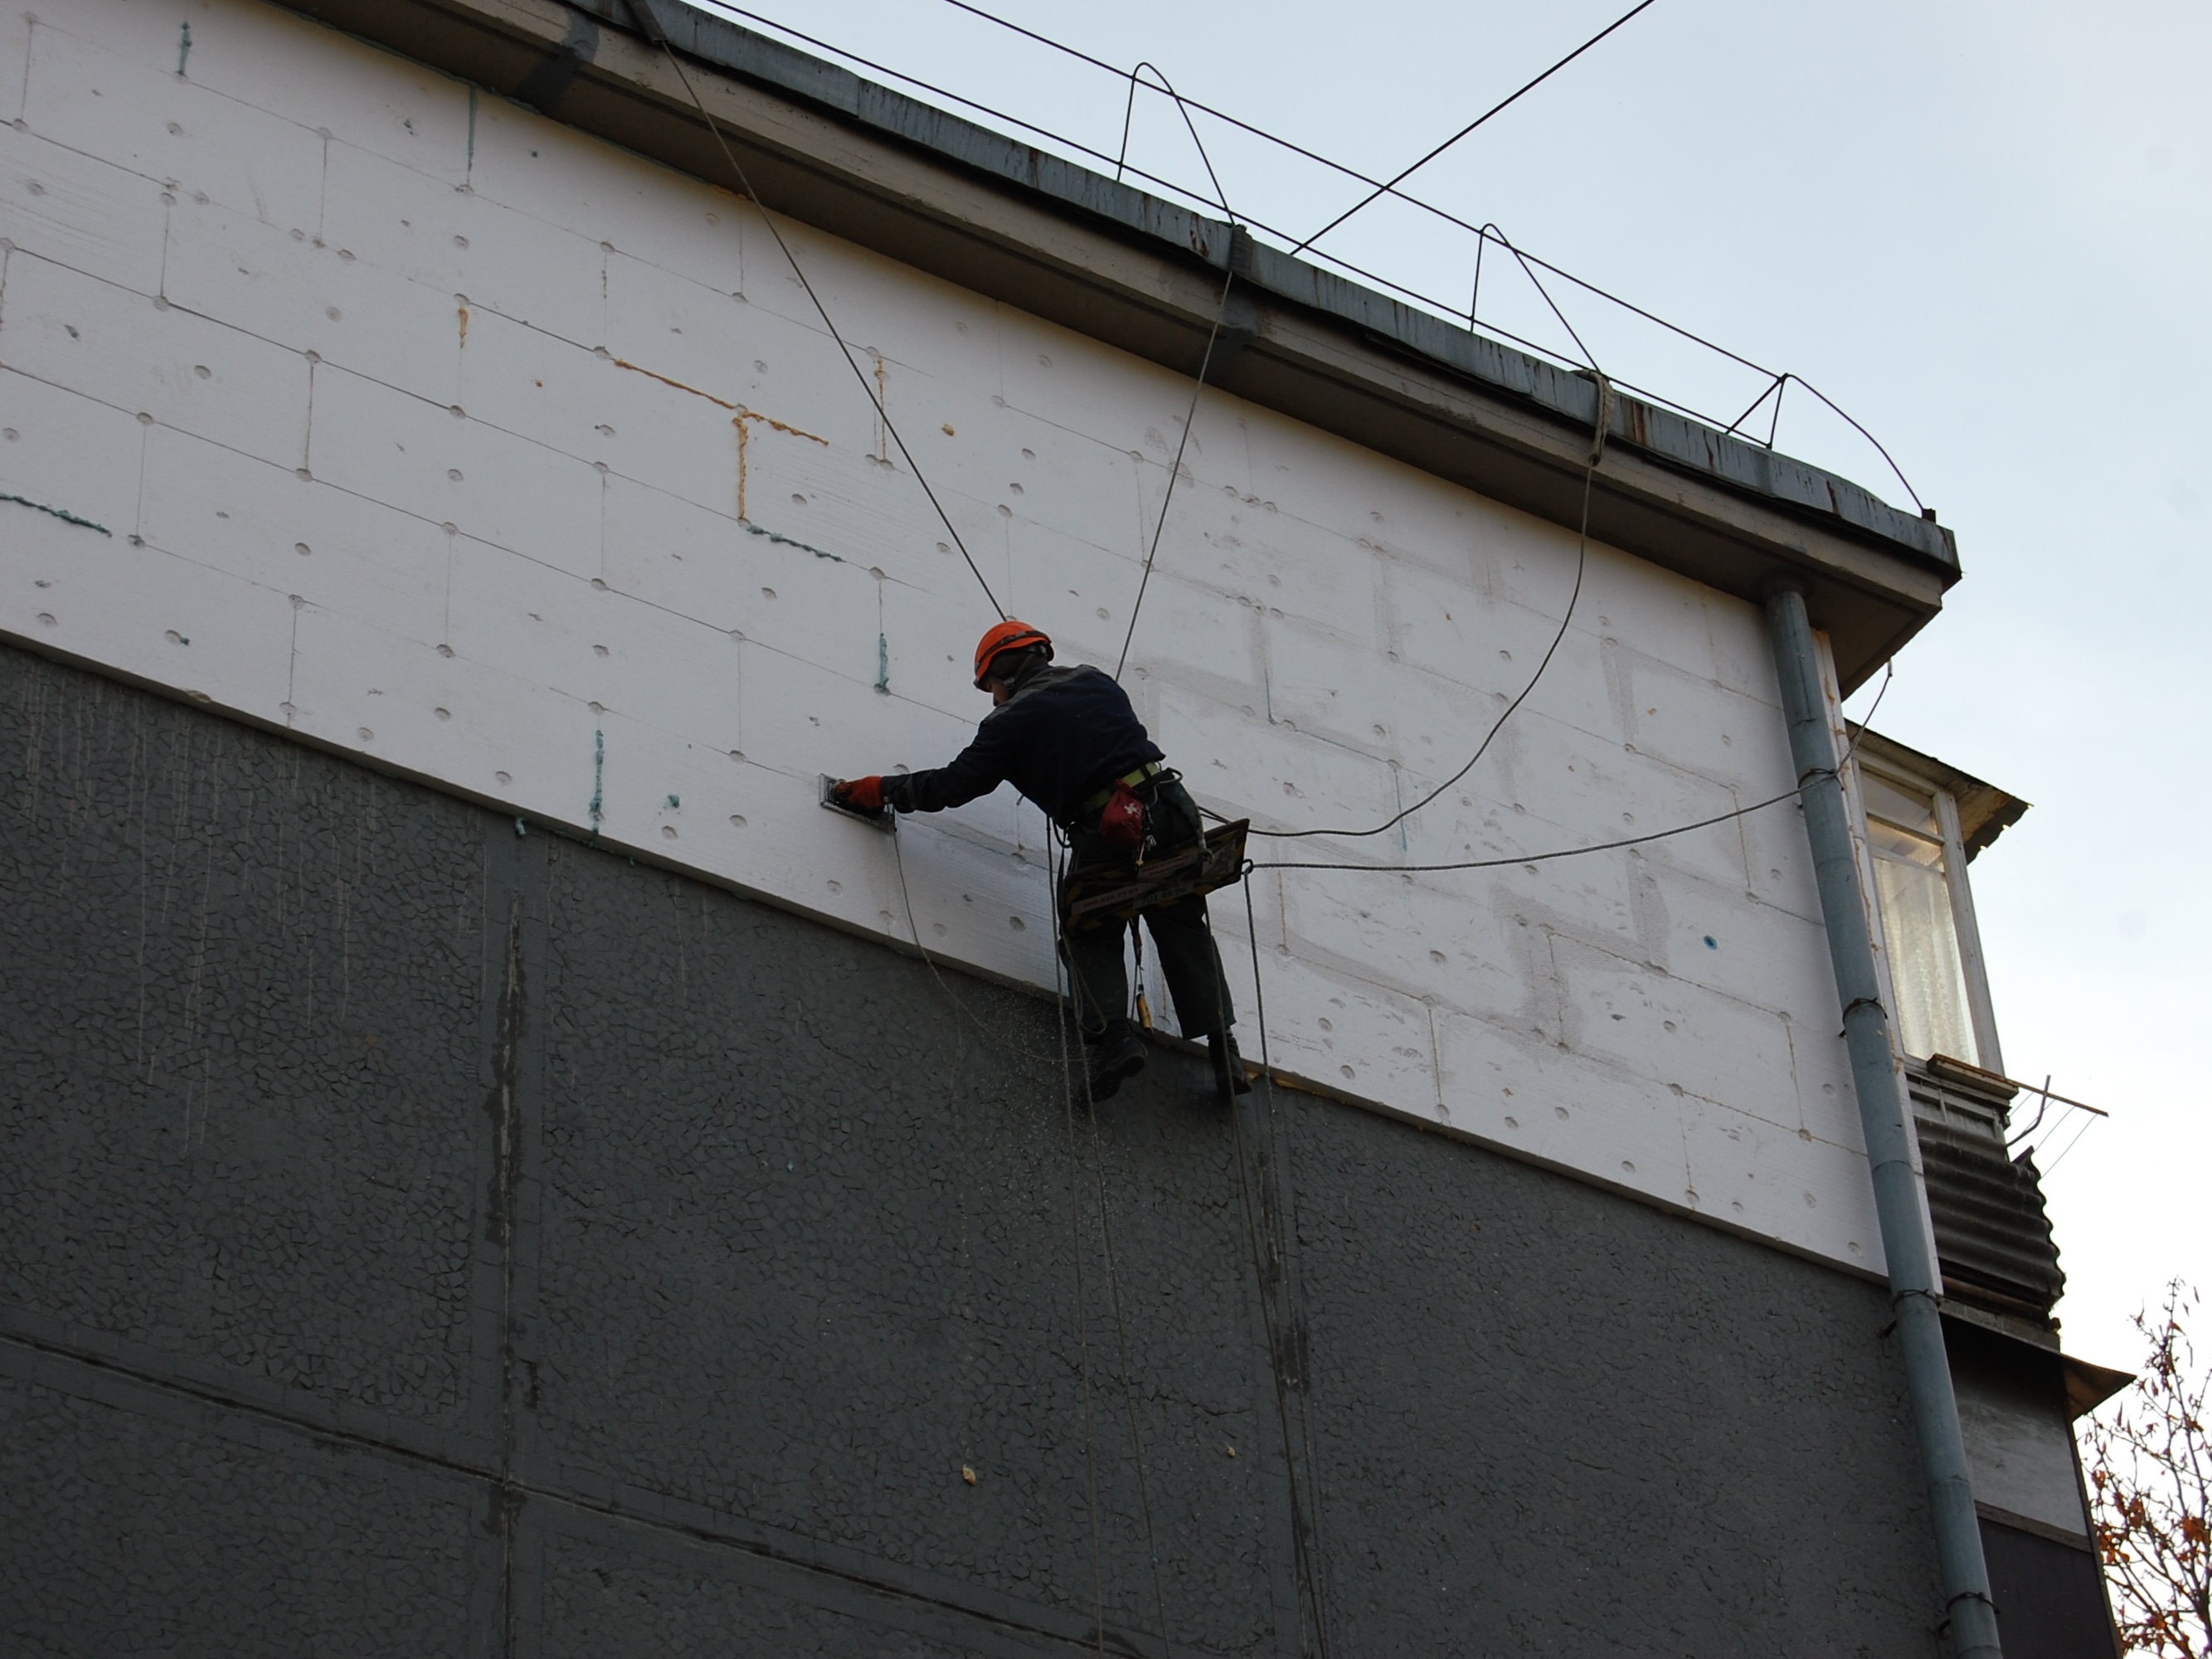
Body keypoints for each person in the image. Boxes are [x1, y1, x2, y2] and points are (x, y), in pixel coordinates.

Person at [832, 620, 1249, 1102]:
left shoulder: (1008, 724)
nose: (992, 699)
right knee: (1180, 916)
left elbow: (951, 786)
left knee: (1087, 928)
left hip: (1110, 827)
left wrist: (881, 791)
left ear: (1003, 675)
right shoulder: (1096, 680)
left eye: (990, 687)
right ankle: (1225, 1051)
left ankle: (1114, 1041)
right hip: (1172, 806)